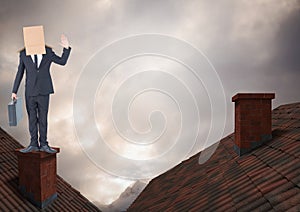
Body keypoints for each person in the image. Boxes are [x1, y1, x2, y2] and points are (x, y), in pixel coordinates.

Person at [12, 34, 71, 153]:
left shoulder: (48, 52)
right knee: (32, 118)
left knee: (43, 118)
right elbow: (20, 72)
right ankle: (33, 144)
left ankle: (44, 144)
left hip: (44, 91)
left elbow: (62, 61)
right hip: (30, 91)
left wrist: (66, 48)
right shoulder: (24, 54)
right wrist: (14, 90)